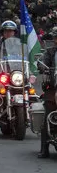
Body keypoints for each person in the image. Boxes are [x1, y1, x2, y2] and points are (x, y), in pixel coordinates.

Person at [38, 27, 57, 158]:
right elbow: (42, 63)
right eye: (56, 37)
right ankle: (44, 148)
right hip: (53, 87)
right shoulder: (50, 52)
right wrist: (43, 67)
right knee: (48, 113)